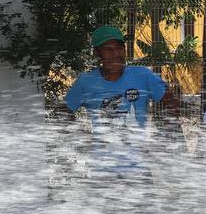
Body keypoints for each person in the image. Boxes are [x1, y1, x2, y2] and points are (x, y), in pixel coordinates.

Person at [63, 26, 177, 175]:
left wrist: (163, 136)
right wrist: (77, 135)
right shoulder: (86, 82)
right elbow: (63, 112)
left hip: (138, 169)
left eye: (119, 48)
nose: (116, 54)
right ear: (97, 53)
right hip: (102, 169)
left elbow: (172, 102)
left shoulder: (142, 75)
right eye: (108, 49)